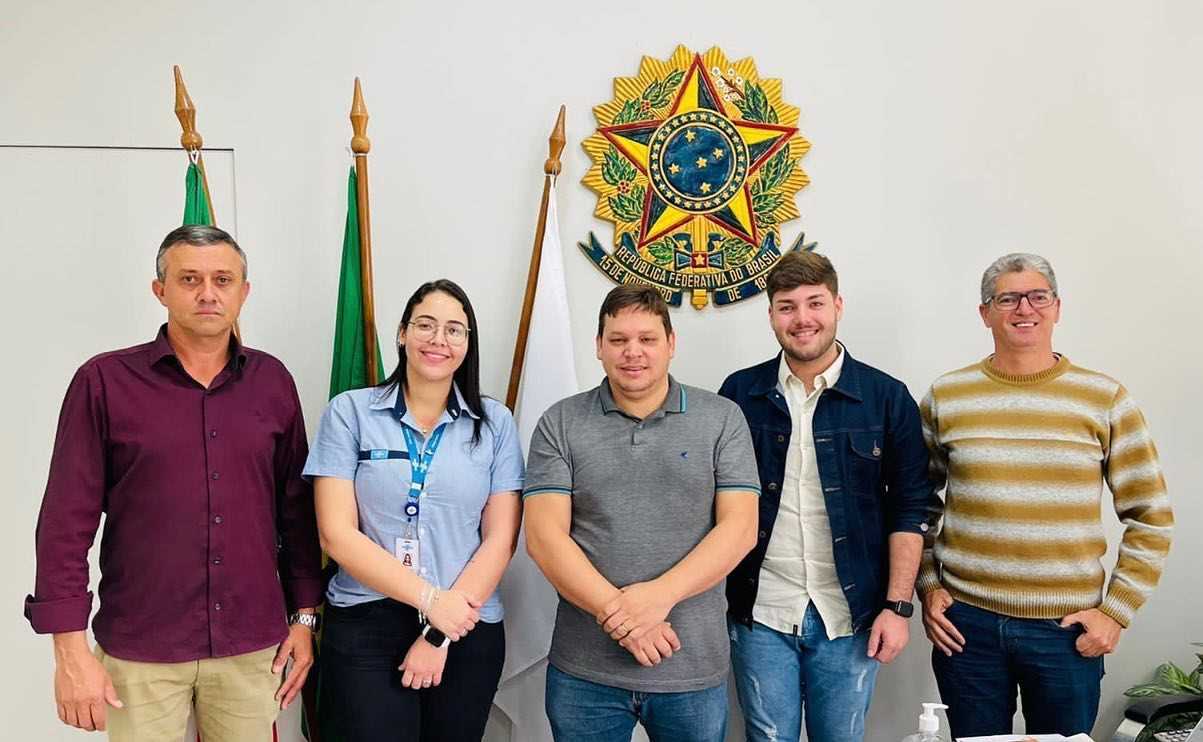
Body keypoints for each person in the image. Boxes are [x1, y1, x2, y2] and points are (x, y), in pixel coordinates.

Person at [24, 225, 323, 740]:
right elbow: (64, 524)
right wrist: (69, 652)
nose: (207, 293)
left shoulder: (272, 382)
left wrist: (306, 618)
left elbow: (296, 512)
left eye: (222, 279)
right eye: (189, 279)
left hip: (251, 648)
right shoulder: (104, 382)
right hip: (141, 650)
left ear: (243, 292)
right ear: (160, 289)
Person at [918, 252, 1173, 738]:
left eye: (1038, 296)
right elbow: (918, 507)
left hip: (1065, 630)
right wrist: (929, 587)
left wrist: (1114, 613)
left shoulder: (1103, 398)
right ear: (985, 312)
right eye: (1007, 298)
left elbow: (1152, 516)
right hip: (967, 626)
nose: (1024, 309)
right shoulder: (947, 397)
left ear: (1057, 307)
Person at [524, 284, 760, 742]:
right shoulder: (560, 422)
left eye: (647, 339)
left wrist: (658, 598)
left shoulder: (722, 418)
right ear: (598, 347)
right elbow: (544, 538)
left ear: (671, 344)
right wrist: (626, 618)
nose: (633, 352)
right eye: (618, 340)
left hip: (690, 668)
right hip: (584, 673)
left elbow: (741, 528)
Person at [717, 251, 935, 742]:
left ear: (837, 305)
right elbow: (718, 503)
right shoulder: (739, 392)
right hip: (760, 612)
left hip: (851, 616)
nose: (802, 319)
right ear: (771, 314)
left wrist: (898, 608)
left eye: (814, 303)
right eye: (787, 306)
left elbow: (909, 508)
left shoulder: (885, 396)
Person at [305, 279, 524, 741]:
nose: (438, 340)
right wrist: (429, 602)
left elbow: (501, 539)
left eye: (454, 330)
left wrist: (441, 629)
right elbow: (336, 536)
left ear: (468, 343)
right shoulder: (350, 413)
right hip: (368, 621)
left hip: (466, 623)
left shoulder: (496, 423)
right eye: (425, 325)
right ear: (402, 333)